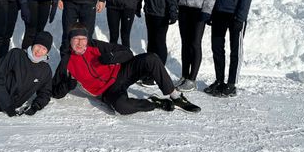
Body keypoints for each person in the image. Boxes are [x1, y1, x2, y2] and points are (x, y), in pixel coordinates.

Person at [52, 24, 200, 115]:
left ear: (87, 39)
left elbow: (126, 52)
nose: (79, 43)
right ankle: (154, 102)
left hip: (121, 73)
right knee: (122, 107)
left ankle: (176, 97)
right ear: (70, 41)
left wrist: (111, 57)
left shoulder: (95, 45)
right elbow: (55, 91)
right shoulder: (67, 63)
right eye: (75, 39)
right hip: (107, 91)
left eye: (82, 39)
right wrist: (66, 85)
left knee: (151, 58)